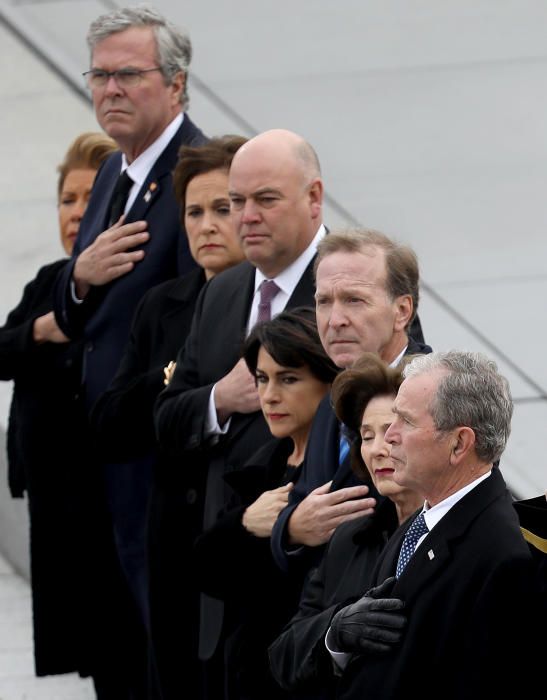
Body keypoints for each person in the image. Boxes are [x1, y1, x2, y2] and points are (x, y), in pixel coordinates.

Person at [154, 128, 375, 698]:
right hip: (228, 578)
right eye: (236, 202)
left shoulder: (357, 287)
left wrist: (286, 526)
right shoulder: (225, 292)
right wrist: (220, 399)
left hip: (316, 605)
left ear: (314, 197)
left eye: (265, 200)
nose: (244, 217)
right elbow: (167, 418)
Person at [53, 6, 206, 697]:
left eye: (128, 75)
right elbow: (76, 303)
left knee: (166, 643)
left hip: (154, 452)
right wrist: (78, 279)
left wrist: (152, 402)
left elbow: (194, 325)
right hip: (103, 453)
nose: (109, 89)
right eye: (99, 75)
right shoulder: (115, 172)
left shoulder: (194, 177)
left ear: (174, 85)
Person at [89, 135, 247, 700]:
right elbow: (108, 423)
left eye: (223, 209)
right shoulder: (162, 305)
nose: (207, 225)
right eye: (194, 211)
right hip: (173, 538)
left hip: (249, 537)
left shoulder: (283, 307)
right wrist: (172, 379)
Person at [328, 351, 541, 699]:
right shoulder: (421, 521)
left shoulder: (503, 556)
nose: (389, 436)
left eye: (406, 422)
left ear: (459, 443)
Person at [0, 132, 118, 686]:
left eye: (88, 198)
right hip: (56, 507)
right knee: (91, 660)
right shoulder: (49, 282)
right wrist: (44, 329)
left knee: (122, 655)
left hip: (107, 507)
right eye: (66, 200)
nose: (75, 213)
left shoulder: (133, 286)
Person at [193, 307, 338, 699]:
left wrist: (282, 528)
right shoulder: (261, 464)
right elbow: (206, 567)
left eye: (288, 379)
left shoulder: (342, 472)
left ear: (328, 384)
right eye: (261, 379)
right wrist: (244, 522)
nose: (269, 395)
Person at [271, 228, 431, 575]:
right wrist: (292, 528)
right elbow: (302, 501)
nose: (335, 320)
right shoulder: (336, 396)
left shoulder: (438, 397)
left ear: (402, 311)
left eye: (354, 300)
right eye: (324, 301)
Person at [268, 353, 423, 698]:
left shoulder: (454, 532)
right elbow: (283, 655)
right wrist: (335, 631)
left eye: (391, 432)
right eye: (367, 436)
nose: (379, 449)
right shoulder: (349, 537)